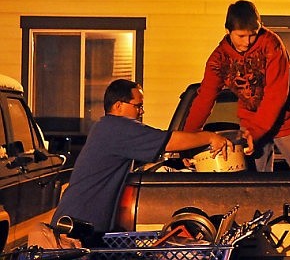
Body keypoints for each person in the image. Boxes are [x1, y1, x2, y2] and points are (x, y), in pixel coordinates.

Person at [33, 79, 237, 248]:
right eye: (138, 105)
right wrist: (209, 137)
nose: (142, 111)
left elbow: (154, 154)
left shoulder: (107, 129)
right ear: (119, 106)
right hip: (75, 230)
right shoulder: (116, 127)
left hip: (85, 226)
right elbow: (167, 141)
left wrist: (183, 160)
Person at [184, 0, 290, 172]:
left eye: (253, 35)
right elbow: (204, 99)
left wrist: (255, 131)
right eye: (241, 36)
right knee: (253, 182)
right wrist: (188, 139)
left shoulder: (272, 44)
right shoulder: (219, 60)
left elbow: (276, 93)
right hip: (252, 120)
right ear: (228, 31)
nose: (248, 41)